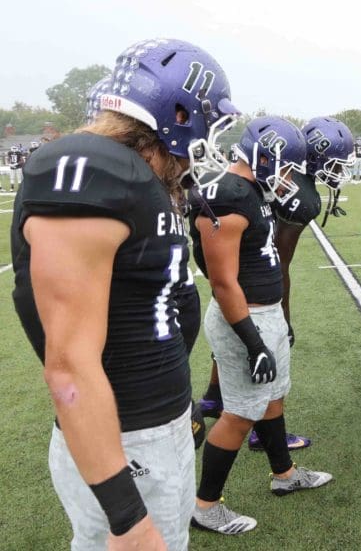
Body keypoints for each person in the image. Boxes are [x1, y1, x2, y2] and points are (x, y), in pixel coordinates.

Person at [10, 38, 237, 550]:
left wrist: (180, 408)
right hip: (127, 437)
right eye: (208, 123)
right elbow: (67, 364)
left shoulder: (136, 176)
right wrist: (127, 518)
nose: (209, 143)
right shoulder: (94, 169)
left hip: (153, 421)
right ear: (178, 113)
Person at [190, 116, 332, 535]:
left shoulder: (249, 190)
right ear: (264, 156)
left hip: (265, 314)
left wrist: (276, 322)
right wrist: (254, 344)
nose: (288, 179)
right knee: (238, 414)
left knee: (273, 400)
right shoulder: (228, 197)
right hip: (244, 320)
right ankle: (205, 504)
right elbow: (221, 282)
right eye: (286, 168)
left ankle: (284, 475)